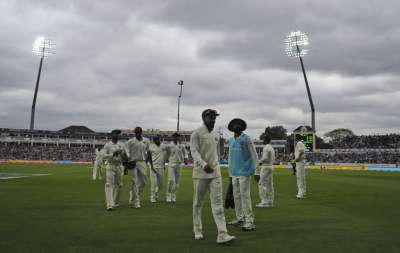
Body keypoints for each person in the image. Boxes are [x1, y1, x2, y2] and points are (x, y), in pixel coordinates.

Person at [190, 109, 235, 244]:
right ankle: (197, 229)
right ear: (204, 118)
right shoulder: (196, 133)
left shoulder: (216, 135)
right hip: (200, 174)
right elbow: (194, 152)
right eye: (210, 117)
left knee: (217, 205)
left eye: (215, 117)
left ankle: (222, 233)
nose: (213, 120)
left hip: (215, 173)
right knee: (198, 203)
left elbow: (217, 153)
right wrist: (204, 165)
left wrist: (216, 165)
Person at [125, 127, 151, 208]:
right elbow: (126, 150)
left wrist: (147, 160)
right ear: (134, 133)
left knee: (144, 182)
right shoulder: (130, 141)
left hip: (142, 162)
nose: (137, 134)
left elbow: (148, 151)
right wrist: (129, 158)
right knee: (134, 181)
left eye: (139, 132)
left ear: (141, 132)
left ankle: (132, 195)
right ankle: (136, 201)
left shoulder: (146, 141)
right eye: (136, 133)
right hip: (133, 162)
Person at [102, 130, 125, 211]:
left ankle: (115, 202)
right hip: (110, 166)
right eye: (115, 134)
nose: (116, 136)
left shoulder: (121, 144)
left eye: (118, 134)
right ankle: (109, 204)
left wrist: (125, 165)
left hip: (119, 166)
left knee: (119, 185)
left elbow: (124, 156)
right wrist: (113, 154)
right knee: (108, 185)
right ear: (112, 135)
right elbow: (103, 156)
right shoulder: (107, 145)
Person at [165, 132, 187, 203]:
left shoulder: (182, 146)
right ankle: (168, 195)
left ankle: (173, 195)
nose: (177, 138)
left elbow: (185, 153)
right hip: (171, 164)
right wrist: (167, 159)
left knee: (177, 182)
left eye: (178, 137)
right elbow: (167, 154)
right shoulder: (169, 145)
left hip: (179, 164)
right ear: (173, 137)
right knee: (171, 180)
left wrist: (186, 158)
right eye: (176, 136)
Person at [256, 135, 275, 208]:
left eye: (263, 140)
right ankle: (270, 201)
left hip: (266, 166)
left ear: (266, 140)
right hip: (271, 166)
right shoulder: (271, 147)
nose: (263, 141)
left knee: (261, 183)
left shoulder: (266, 147)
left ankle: (264, 202)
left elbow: (265, 158)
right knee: (269, 184)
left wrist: (259, 162)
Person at [148, 135, 167, 203]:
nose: (158, 141)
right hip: (153, 167)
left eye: (159, 139)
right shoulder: (151, 147)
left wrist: (164, 164)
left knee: (160, 185)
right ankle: (152, 197)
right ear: (154, 141)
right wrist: (152, 166)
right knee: (154, 183)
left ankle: (156, 193)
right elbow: (149, 157)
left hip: (161, 167)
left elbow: (165, 155)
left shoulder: (163, 146)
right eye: (156, 140)